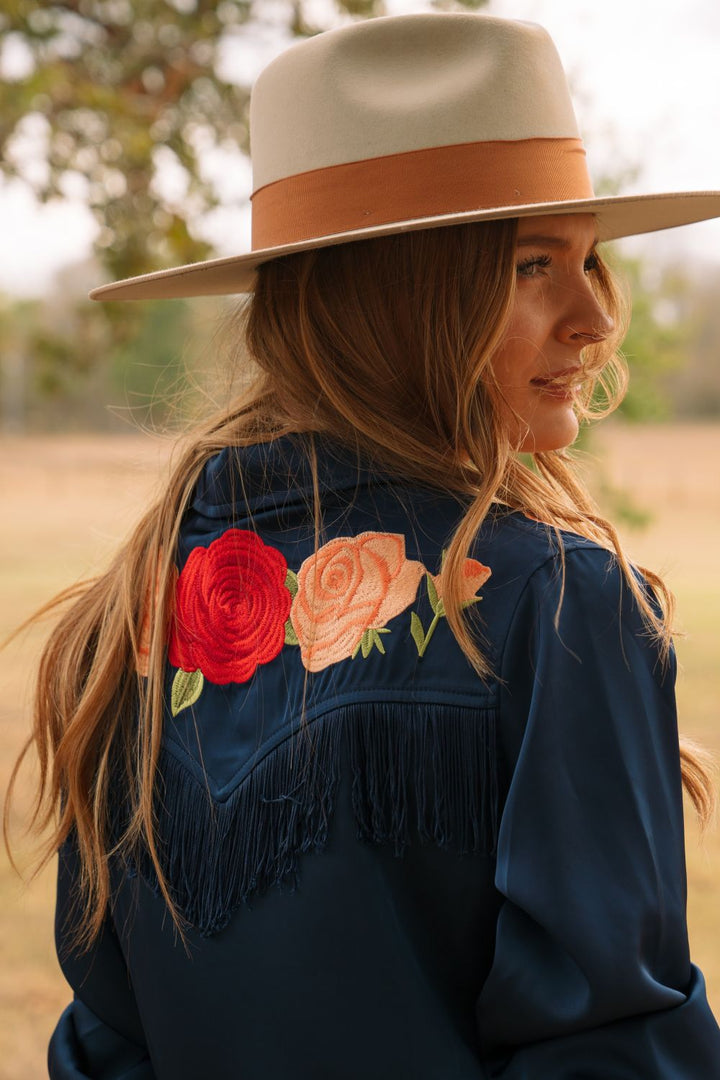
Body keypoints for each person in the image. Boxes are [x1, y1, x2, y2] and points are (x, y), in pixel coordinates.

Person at [8, 12, 720, 1078]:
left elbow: (107, 1048)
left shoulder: (134, 617)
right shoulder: (557, 605)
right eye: (532, 264)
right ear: (400, 294)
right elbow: (612, 1051)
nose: (593, 317)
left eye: (587, 261)